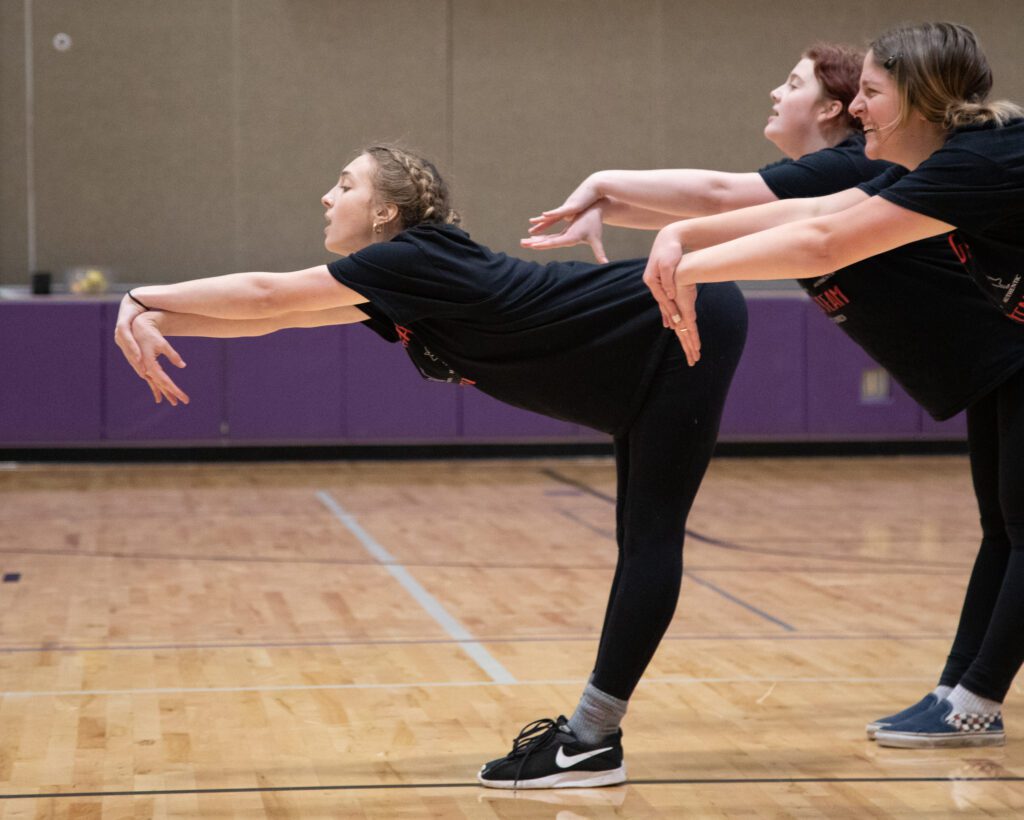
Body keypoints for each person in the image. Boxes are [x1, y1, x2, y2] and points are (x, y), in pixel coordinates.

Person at [113, 144, 747, 788]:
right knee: (642, 539)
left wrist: (137, 296)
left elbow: (268, 294)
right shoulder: (402, 280)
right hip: (637, 349)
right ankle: (589, 740)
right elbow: (281, 319)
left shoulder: (416, 256)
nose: (328, 198)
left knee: (649, 538)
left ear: (385, 209)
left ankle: (589, 741)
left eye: (344, 185)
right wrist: (156, 321)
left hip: (673, 317)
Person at [642, 21, 1024, 749]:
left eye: (872, 94)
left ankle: (975, 701)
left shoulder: (981, 161)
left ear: (920, 102)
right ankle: (959, 689)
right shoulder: (944, 162)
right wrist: (687, 237)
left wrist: (687, 268)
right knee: (1008, 526)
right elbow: (818, 211)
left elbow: (826, 244)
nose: (855, 109)